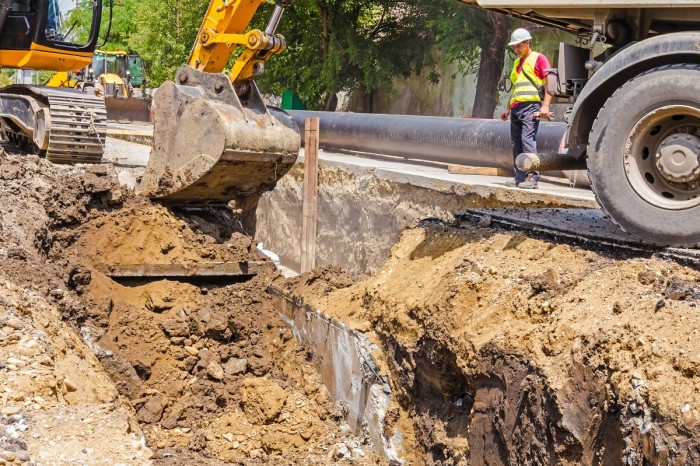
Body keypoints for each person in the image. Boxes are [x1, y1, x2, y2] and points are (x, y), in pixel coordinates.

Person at [500, 28, 552, 189]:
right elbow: (516, 88)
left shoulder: (539, 58)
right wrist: (507, 109)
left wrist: (545, 106)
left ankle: (532, 177)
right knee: (517, 143)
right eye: (514, 47)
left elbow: (550, 82)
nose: (516, 50)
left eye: (518, 46)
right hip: (516, 108)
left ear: (527, 43)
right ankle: (519, 176)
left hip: (531, 107)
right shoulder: (517, 63)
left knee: (527, 142)